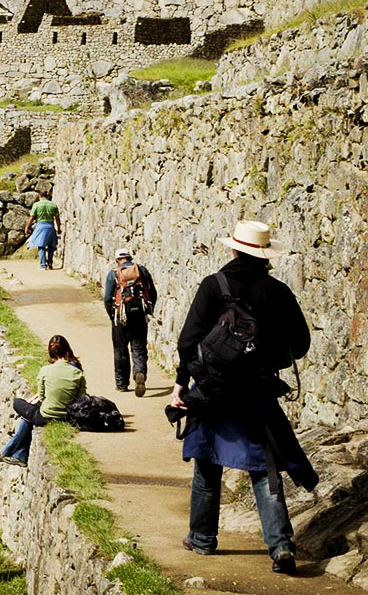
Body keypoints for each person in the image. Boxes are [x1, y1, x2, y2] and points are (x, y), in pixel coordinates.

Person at [172, 221, 315, 574]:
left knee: (207, 465)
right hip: (258, 393)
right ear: (264, 255)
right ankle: (281, 547)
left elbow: (188, 342)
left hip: (212, 391)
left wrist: (181, 384)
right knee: (265, 470)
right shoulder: (278, 292)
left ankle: (202, 539)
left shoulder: (213, 286)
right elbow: (300, 345)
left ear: (234, 250)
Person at [0, 335, 86, 467]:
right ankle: (20, 456)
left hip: (46, 416)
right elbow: (82, 399)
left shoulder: (45, 370)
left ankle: (7, 451)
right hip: (68, 416)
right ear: (67, 352)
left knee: (19, 405)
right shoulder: (78, 373)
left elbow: (42, 398)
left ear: (51, 354)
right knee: (27, 417)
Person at [103, 249, 157, 396]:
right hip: (139, 315)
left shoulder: (113, 274)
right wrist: (148, 310)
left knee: (120, 350)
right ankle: (139, 373)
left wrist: (112, 315)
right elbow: (152, 292)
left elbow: (107, 299)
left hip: (121, 316)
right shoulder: (141, 270)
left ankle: (121, 384)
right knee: (139, 347)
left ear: (117, 260)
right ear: (130, 258)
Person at [25, 195, 61, 269]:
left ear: (39, 196)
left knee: (41, 246)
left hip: (40, 227)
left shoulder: (36, 205)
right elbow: (57, 218)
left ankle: (43, 265)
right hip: (50, 226)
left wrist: (27, 227)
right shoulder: (53, 205)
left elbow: (32, 217)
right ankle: (50, 262)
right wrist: (59, 228)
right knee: (51, 246)